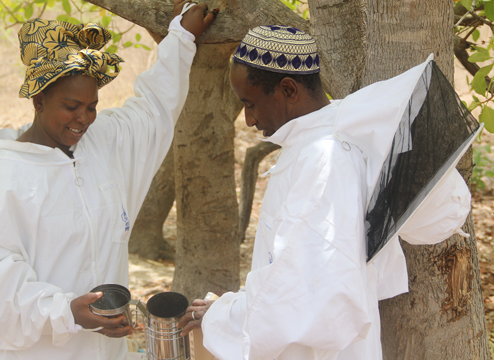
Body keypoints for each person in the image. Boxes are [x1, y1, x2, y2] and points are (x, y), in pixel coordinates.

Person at [0, 2, 217, 359]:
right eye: (70, 106)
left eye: (92, 106)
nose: (83, 118)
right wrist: (65, 313)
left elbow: (154, 108)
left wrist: (181, 38)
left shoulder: (102, 146)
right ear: (38, 100)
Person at [177, 26, 473, 359]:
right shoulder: (319, 142)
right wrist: (237, 304)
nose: (248, 119)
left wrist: (225, 316)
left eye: (250, 103)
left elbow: (305, 288)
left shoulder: (324, 157)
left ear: (288, 89)